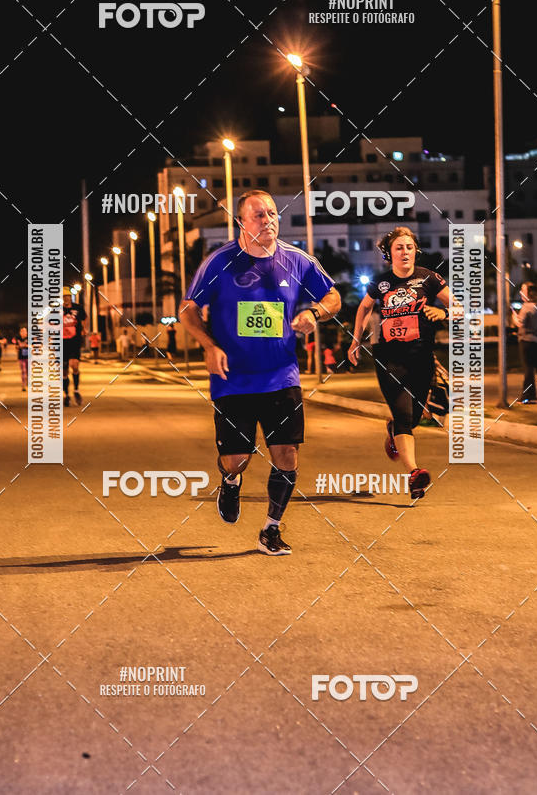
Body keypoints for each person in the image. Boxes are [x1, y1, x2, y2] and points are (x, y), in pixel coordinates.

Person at [180, 189, 340, 555]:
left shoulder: (297, 260)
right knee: (238, 458)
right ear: (241, 222)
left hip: (282, 376)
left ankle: (271, 528)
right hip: (232, 380)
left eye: (271, 213)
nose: (267, 220)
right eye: (258, 215)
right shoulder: (219, 262)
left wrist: (313, 314)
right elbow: (188, 308)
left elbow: (333, 297)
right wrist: (209, 346)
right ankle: (230, 481)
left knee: (286, 454)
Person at [349, 226, 454, 500]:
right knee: (403, 415)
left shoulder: (429, 279)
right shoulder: (381, 283)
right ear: (389, 254)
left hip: (421, 357)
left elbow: (459, 307)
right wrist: (355, 340)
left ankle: (394, 431)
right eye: (399, 248)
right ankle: (414, 473)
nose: (405, 252)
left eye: (409, 247)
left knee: (415, 415)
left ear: (415, 251)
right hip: (388, 356)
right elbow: (363, 307)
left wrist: (441, 312)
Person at [513, 282, 537, 404]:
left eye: (523, 290)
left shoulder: (527, 307)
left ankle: (528, 396)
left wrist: (514, 316)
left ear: (529, 293)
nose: (520, 292)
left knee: (528, 369)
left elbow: (520, 323)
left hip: (527, 341)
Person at [62, 288, 87, 406]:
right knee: (64, 370)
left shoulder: (78, 308)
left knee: (74, 366)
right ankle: (66, 394)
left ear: (70, 297)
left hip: (75, 340)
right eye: (63, 296)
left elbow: (84, 318)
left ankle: (76, 390)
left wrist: (84, 328)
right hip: (62, 342)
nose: (66, 298)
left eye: (67, 296)